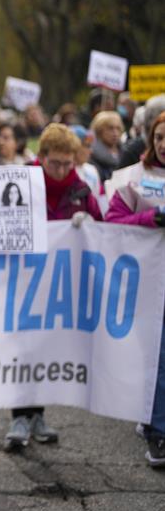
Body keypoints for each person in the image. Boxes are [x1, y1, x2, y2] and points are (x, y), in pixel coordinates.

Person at [3, 123, 102, 451]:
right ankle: (20, 415)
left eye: (67, 163)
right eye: (54, 163)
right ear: (41, 157)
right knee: (24, 348)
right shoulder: (19, 183)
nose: (61, 170)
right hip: (22, 280)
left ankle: (38, 415)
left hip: (60, 285)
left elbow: (103, 228)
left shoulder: (81, 190)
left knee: (47, 348)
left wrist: (87, 225)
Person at [104, 111, 165, 467]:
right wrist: (150, 219)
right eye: (159, 137)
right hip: (151, 284)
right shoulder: (136, 179)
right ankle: (158, 432)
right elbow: (113, 223)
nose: (164, 144)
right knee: (157, 358)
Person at [89, 111, 124, 182]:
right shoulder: (92, 155)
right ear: (99, 131)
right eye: (110, 128)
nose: (115, 133)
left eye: (118, 128)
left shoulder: (126, 152)